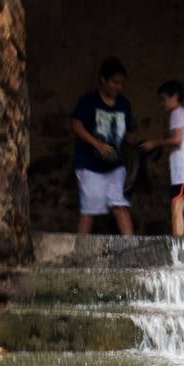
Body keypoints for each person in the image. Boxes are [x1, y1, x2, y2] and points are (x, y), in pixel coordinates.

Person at [71, 57, 137, 235]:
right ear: (103, 80)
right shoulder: (89, 101)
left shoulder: (124, 104)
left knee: (119, 204)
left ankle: (131, 250)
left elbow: (130, 133)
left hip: (115, 164)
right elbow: (76, 125)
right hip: (89, 164)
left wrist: (136, 149)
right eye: (115, 83)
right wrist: (97, 144)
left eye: (121, 84)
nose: (118, 87)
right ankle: (80, 252)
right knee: (90, 208)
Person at [141, 80, 184, 237]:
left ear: (175, 96)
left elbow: (177, 139)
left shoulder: (176, 114)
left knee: (176, 210)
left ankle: (178, 254)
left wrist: (155, 143)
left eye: (163, 99)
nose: (162, 104)